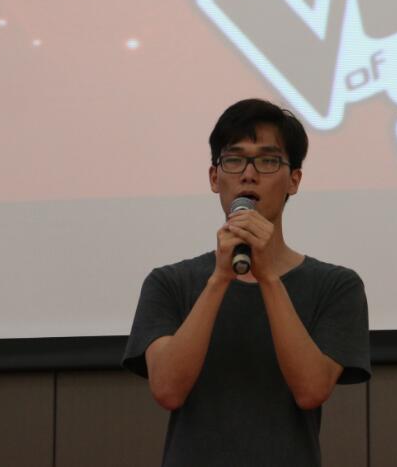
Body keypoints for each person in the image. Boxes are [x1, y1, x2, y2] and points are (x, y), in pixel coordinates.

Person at [122, 98, 371, 467]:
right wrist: (220, 278)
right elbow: (168, 390)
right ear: (214, 177)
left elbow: (311, 390)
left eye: (268, 161)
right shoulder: (169, 283)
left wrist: (267, 275)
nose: (249, 174)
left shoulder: (336, 286)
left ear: (294, 180)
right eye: (235, 160)